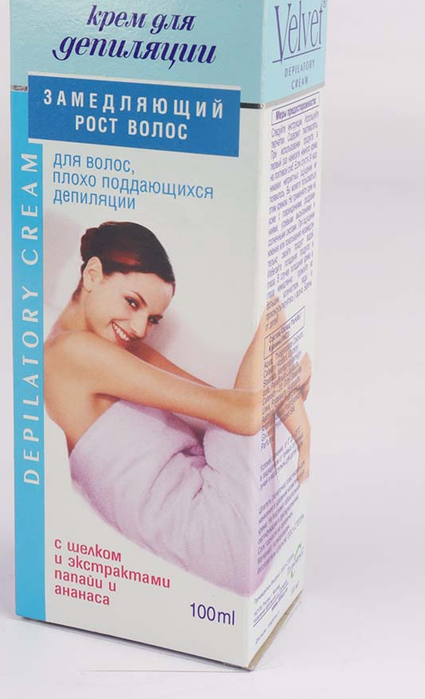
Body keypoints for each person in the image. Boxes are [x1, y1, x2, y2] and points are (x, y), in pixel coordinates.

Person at [44, 221, 311, 595]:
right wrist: (289, 386)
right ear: (92, 275)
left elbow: (219, 405)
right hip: (221, 536)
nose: (140, 328)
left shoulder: (117, 347)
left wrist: (280, 398)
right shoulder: (70, 353)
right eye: (132, 302)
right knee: (274, 318)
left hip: (237, 521)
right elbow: (235, 411)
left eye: (152, 319)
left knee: (274, 320)